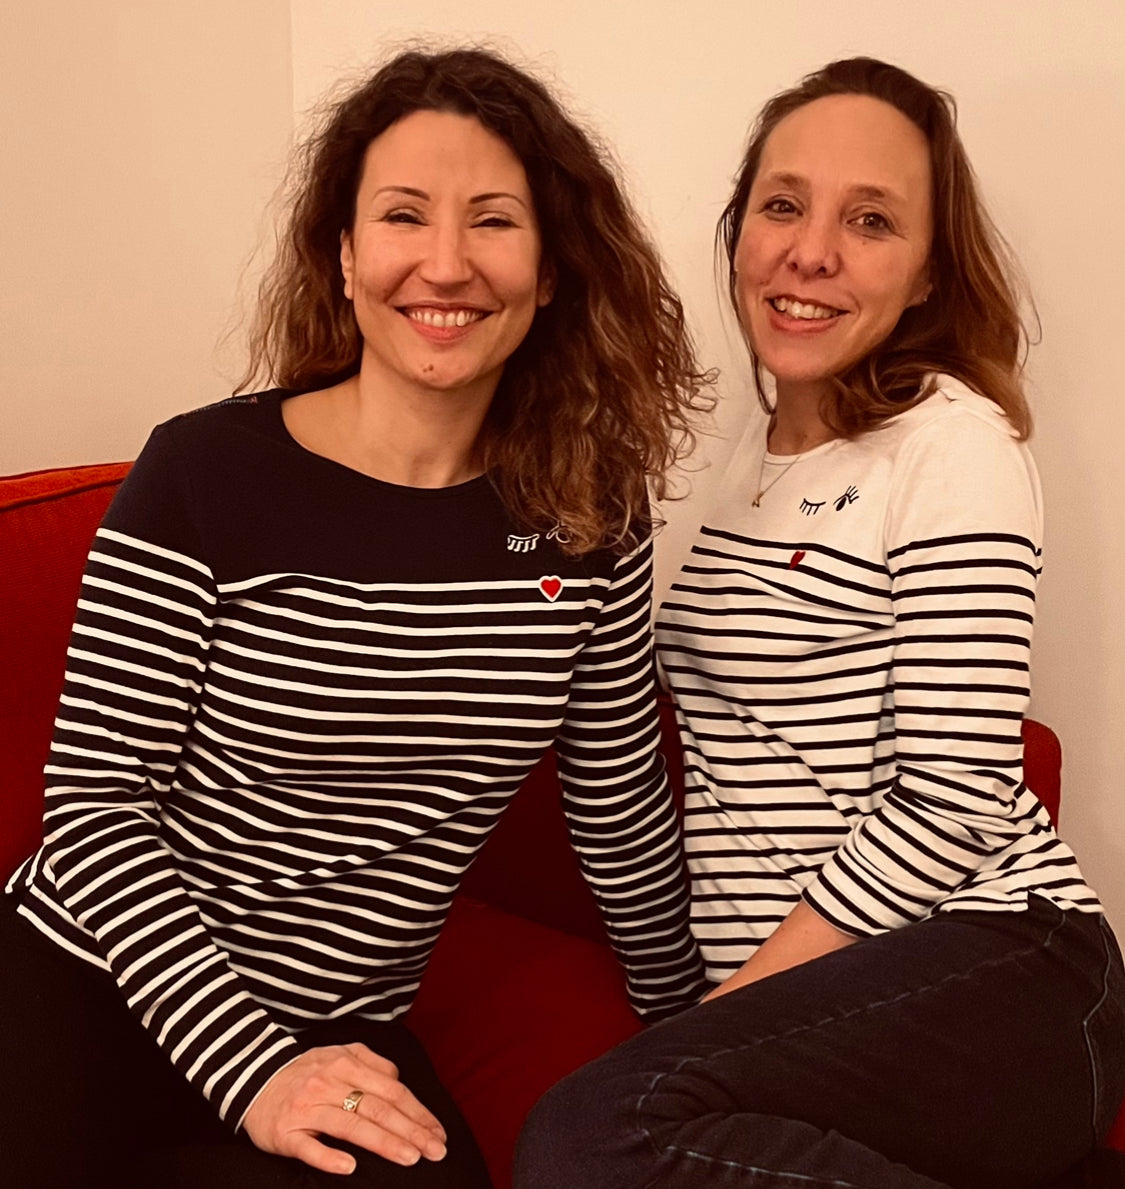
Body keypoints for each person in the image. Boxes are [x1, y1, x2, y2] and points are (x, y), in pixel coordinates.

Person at [0, 47, 712, 1189]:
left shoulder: (589, 512)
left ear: (552, 271)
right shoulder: (206, 473)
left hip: (343, 1023)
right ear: (342, 255)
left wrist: (696, 1024)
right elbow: (93, 815)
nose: (445, 262)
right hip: (95, 984)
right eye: (403, 216)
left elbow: (617, 797)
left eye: (492, 221)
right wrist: (258, 1072)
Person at [514, 57, 1125, 1189]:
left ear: (930, 272)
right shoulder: (724, 463)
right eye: (783, 205)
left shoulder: (954, 444)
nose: (811, 253)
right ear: (739, 228)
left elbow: (954, 795)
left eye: (872, 221)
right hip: (832, 1010)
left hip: (1005, 969)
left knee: (588, 1135)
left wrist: (723, 1012)